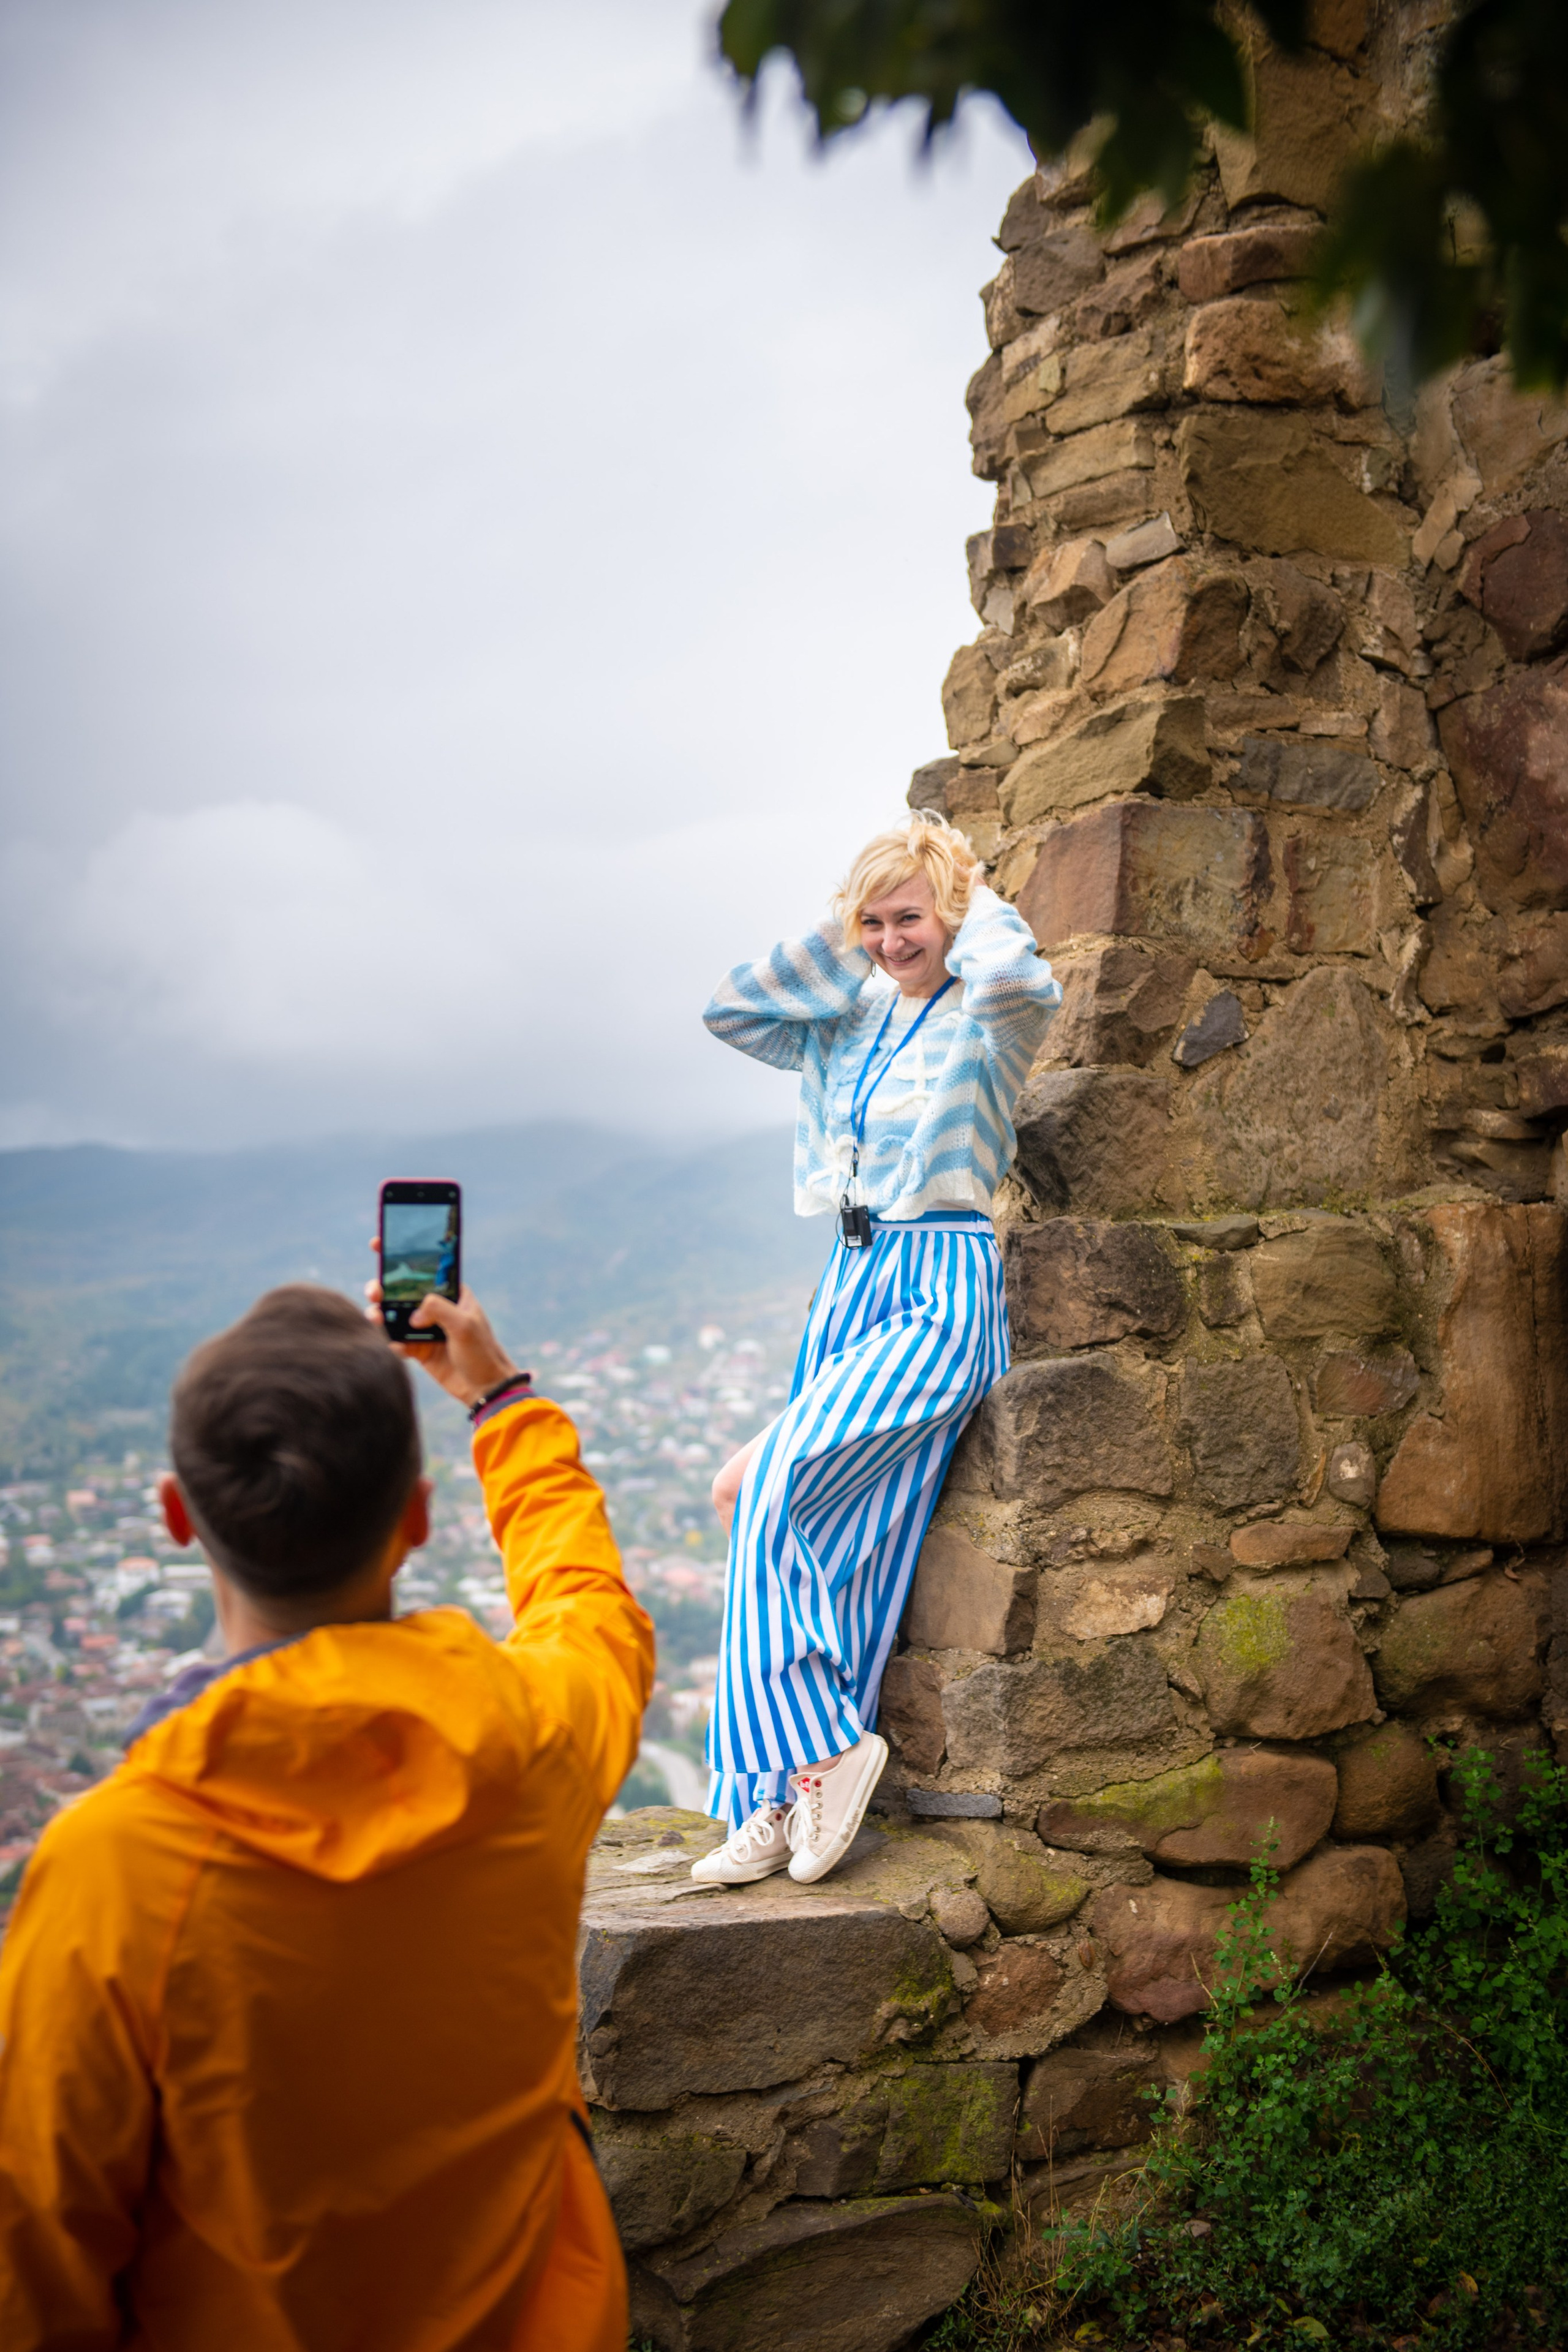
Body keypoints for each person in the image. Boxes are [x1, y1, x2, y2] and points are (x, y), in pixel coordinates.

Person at [0, 1277, 654, 2351]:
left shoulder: (114, 1872)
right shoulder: (534, 1740)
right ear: (416, 1517)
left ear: (177, 1516)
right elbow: (590, 1608)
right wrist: (501, 1402)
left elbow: (40, 2260)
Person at [693, 811, 1060, 1888]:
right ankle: (775, 1796)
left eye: (910, 919)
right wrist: (844, 935)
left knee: (766, 1486)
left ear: (952, 915)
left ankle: (823, 1752)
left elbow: (1021, 988)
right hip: (847, 1287)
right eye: (876, 921)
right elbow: (731, 1012)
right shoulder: (847, 1012)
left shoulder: (987, 1020)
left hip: (937, 1286)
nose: (894, 939)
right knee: (834, 1547)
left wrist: (970, 899)